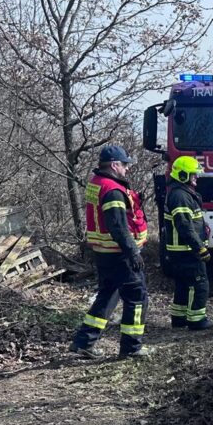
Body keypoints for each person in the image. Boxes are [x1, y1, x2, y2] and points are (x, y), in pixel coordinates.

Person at [69, 145, 150, 359]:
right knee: (137, 297)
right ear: (114, 165)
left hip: (103, 253)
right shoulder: (113, 190)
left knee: (107, 296)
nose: (127, 169)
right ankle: (131, 348)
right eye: (124, 165)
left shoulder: (97, 184)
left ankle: (83, 342)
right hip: (119, 254)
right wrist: (133, 252)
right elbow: (118, 226)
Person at [162, 156, 213, 331]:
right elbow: (184, 226)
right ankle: (197, 320)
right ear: (183, 175)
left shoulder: (181, 193)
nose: (196, 178)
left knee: (183, 284)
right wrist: (199, 248)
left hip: (180, 251)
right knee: (199, 284)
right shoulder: (180, 196)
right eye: (193, 175)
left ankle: (179, 318)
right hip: (185, 250)